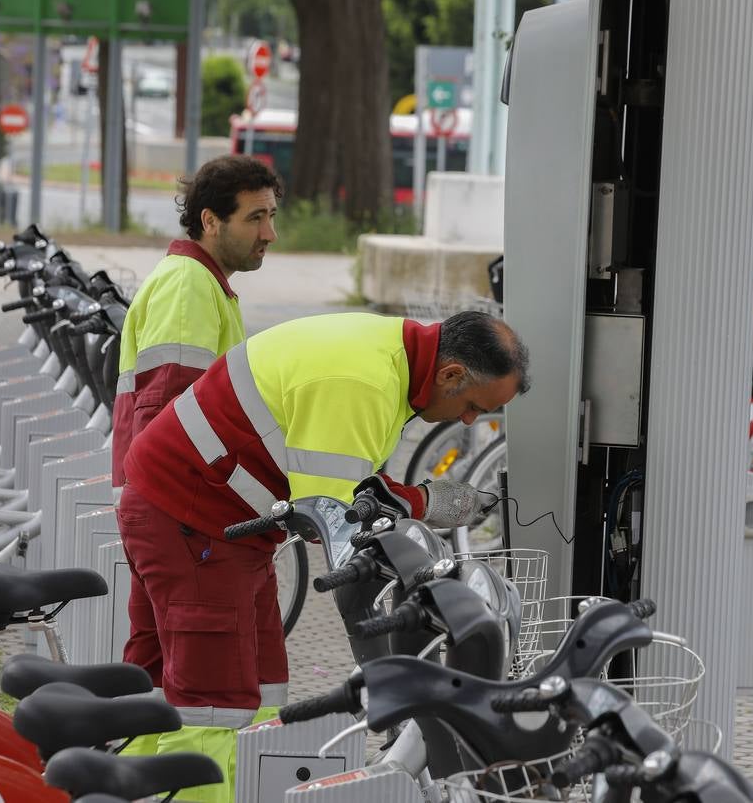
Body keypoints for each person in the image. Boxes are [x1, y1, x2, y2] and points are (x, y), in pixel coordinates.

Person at [117, 309, 531, 800]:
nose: (468, 421)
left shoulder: (391, 354)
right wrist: (421, 512)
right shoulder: (365, 383)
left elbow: (356, 491)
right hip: (195, 523)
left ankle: (127, 788)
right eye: (473, 406)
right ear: (451, 374)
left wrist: (418, 501)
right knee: (216, 702)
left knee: (240, 684)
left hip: (203, 519)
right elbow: (336, 520)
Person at [110, 155, 281, 489]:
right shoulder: (189, 285)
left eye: (272, 216)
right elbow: (169, 414)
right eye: (255, 218)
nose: (270, 234)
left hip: (177, 504)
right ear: (211, 221)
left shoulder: (204, 283)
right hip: (176, 505)